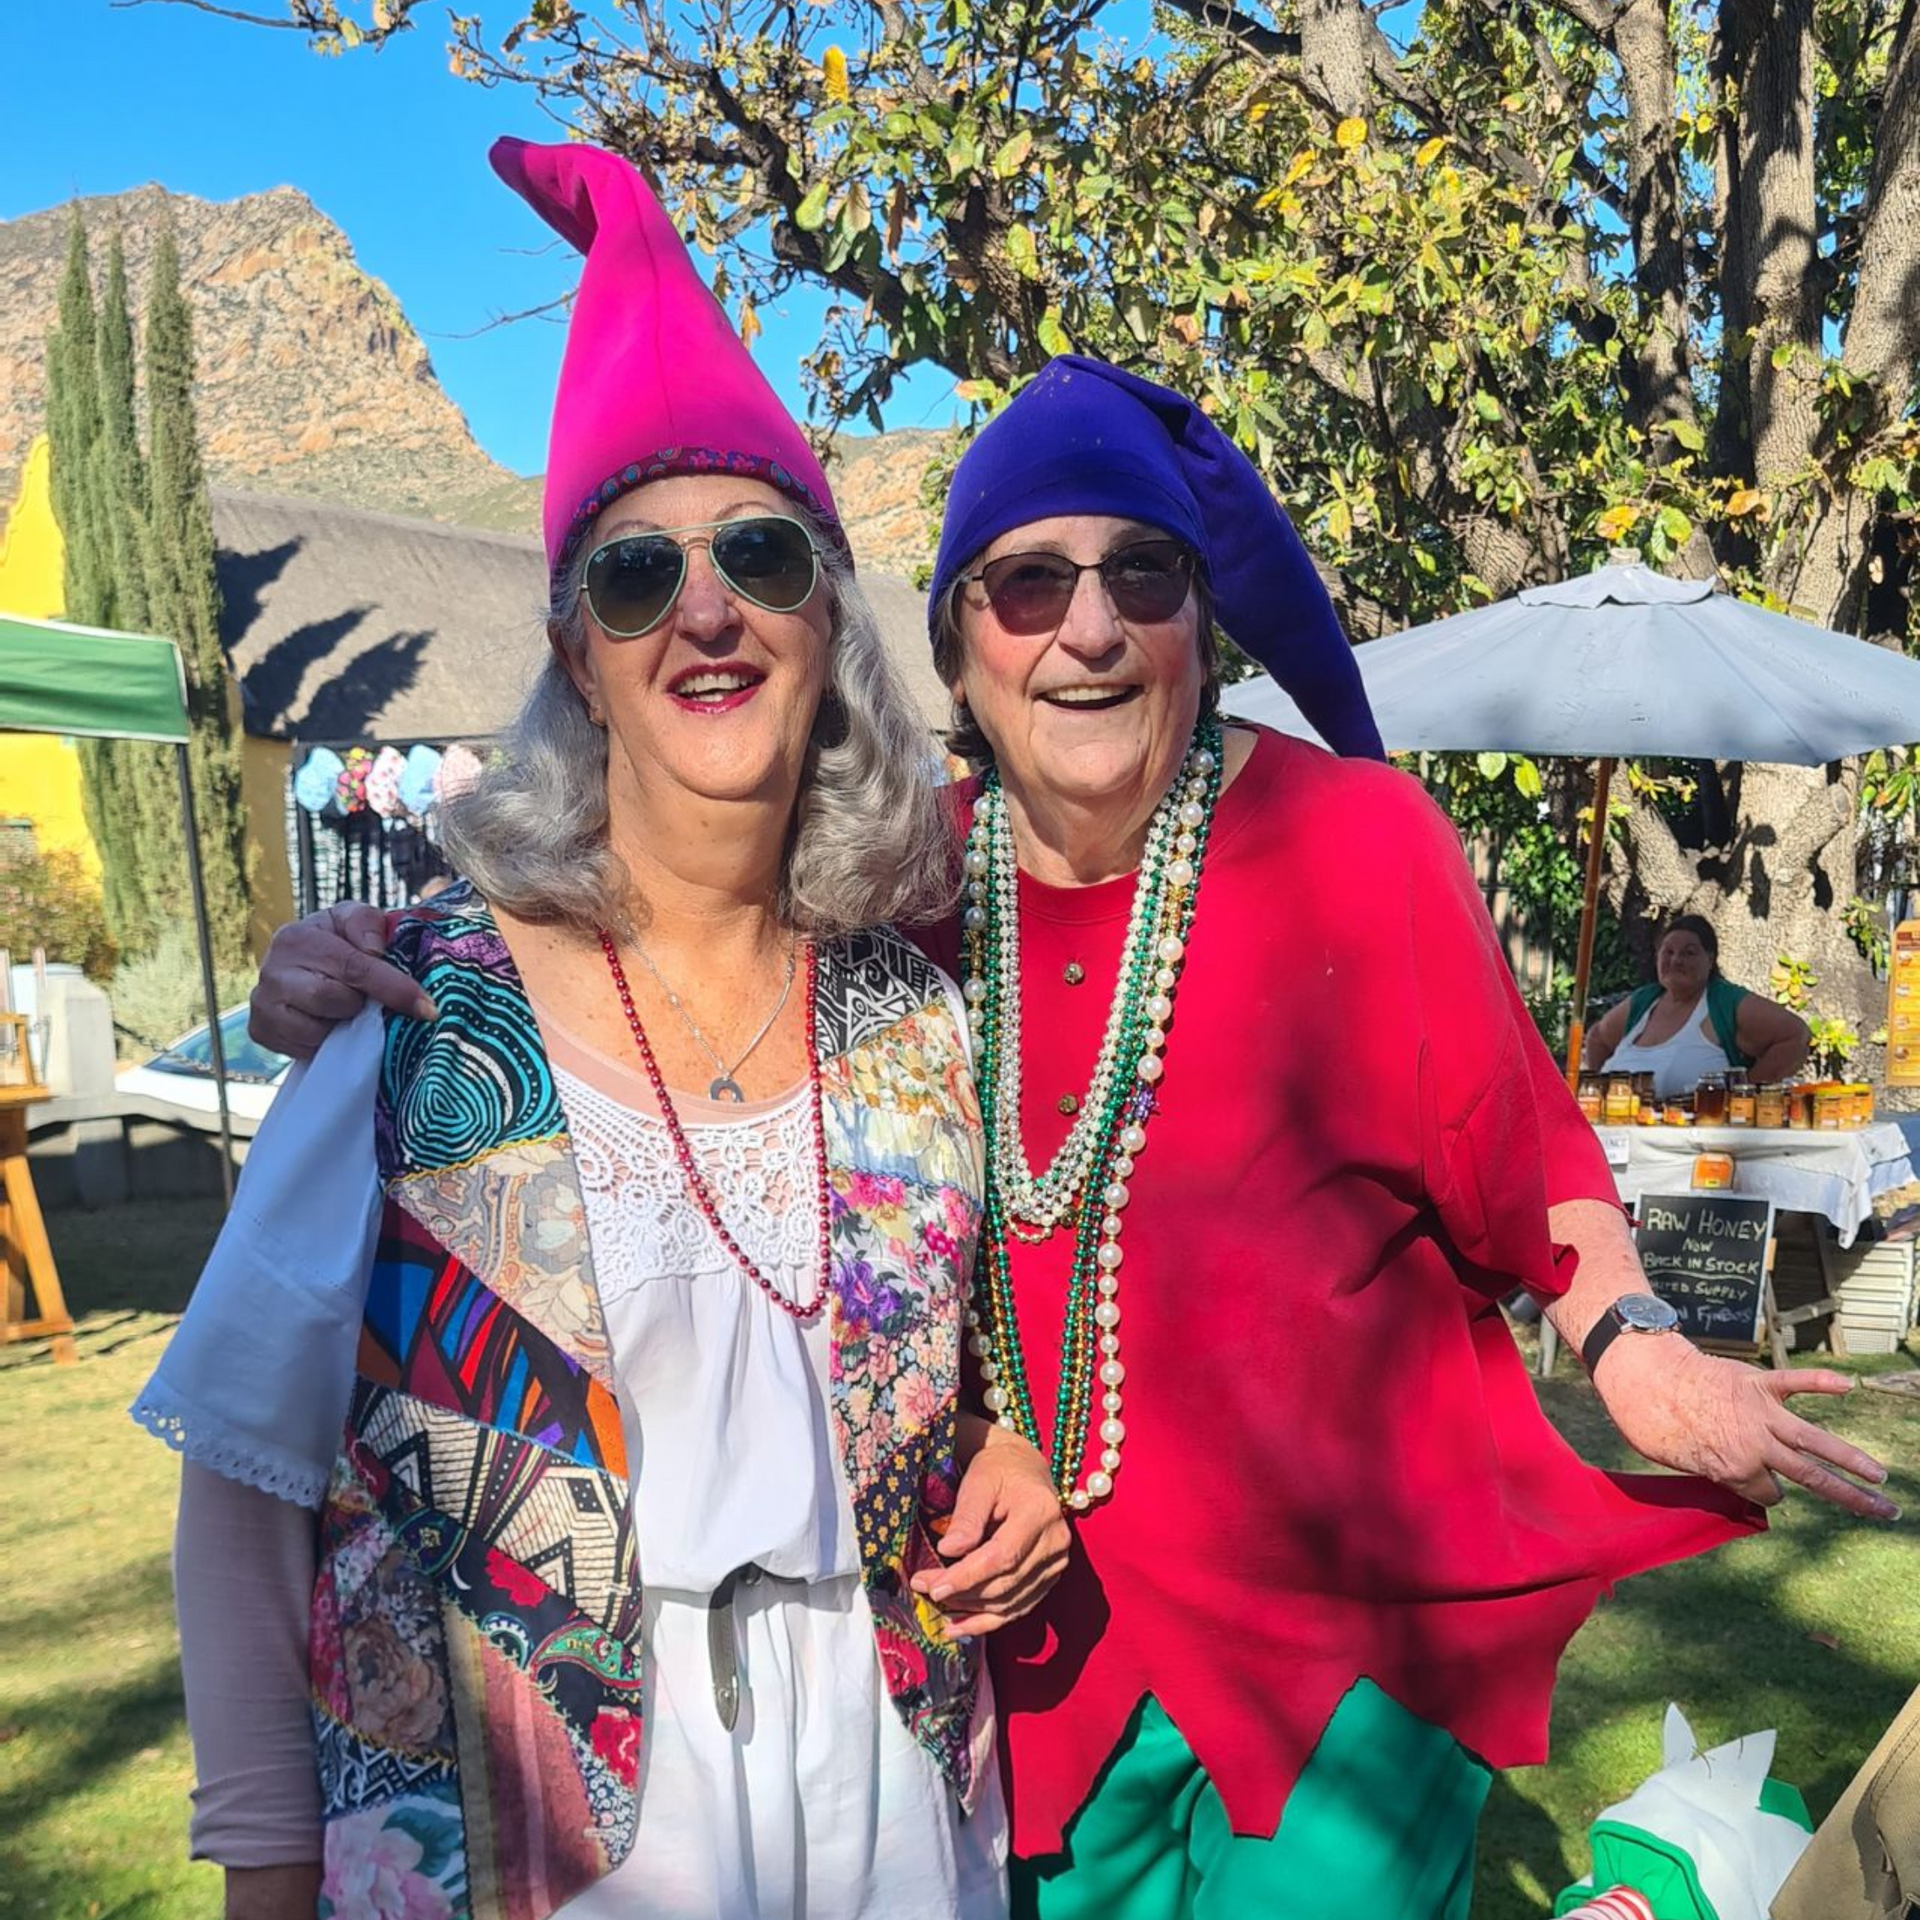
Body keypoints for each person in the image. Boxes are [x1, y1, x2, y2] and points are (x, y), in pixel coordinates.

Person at [251, 356, 1897, 1920]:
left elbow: (1528, 1166)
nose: (1090, 629)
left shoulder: (1359, 842)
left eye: (1146, 579)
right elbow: (676, 978)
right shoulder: (888, 904)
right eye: (1028, 586)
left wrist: (1636, 1349)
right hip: (1043, 1652)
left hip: (1350, 1632)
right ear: (959, 645)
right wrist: (401, 942)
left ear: (1204, 624)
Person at [133, 138, 1072, 1920]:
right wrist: (263, 1879)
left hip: (888, 1806)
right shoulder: (411, 1016)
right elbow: (243, 1496)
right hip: (515, 1834)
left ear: (826, 625)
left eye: (760, 557)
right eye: (638, 578)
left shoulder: (918, 1026)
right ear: (577, 655)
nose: (704, 607)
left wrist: (1002, 1456)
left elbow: (968, 1377)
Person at [1584, 912, 1811, 1095]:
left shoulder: (1723, 1002)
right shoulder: (1644, 1001)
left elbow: (1796, 1035)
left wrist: (1745, 1094)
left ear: (1710, 960)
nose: (1676, 960)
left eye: (1689, 953)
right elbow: (1596, 1037)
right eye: (1668, 952)